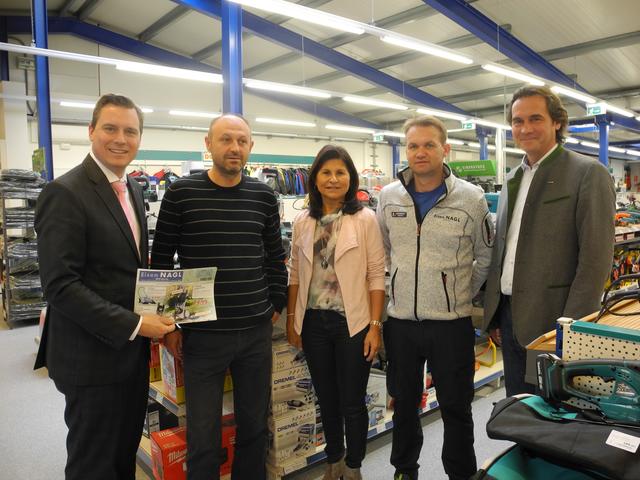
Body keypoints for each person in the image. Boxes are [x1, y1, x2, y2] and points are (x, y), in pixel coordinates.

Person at [34, 93, 175, 479]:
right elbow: (61, 287)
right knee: (93, 461)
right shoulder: (65, 192)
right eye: (110, 128)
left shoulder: (131, 189)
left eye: (131, 131)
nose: (120, 138)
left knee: (123, 452)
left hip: (128, 356)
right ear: (91, 131)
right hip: (90, 358)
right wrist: (135, 324)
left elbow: (127, 271)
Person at [151, 114, 287, 480]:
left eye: (242, 141)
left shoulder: (264, 196)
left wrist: (275, 304)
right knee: (203, 434)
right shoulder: (181, 193)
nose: (235, 148)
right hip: (202, 335)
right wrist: (170, 325)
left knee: (255, 426)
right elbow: (162, 260)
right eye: (226, 139)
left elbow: (275, 256)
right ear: (208, 143)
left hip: (255, 332)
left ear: (251, 147)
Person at [376, 115, 493, 480]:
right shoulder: (388, 197)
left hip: (450, 325)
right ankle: (404, 471)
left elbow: (486, 258)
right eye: (413, 146)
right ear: (406, 150)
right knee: (404, 406)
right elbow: (381, 253)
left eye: (429, 145)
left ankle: (461, 474)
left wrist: (457, 294)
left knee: (456, 407)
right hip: (402, 326)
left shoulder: (471, 199)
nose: (420, 152)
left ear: (446, 150)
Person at [482, 86, 615, 396]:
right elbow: (503, 248)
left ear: (557, 122)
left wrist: (572, 327)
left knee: (555, 414)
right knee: (520, 408)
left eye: (535, 118)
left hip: (554, 318)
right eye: (517, 121)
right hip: (510, 316)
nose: (525, 128)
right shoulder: (513, 178)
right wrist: (495, 311)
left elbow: (595, 260)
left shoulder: (587, 173)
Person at [287, 145, 386, 480]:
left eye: (340, 172)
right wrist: (292, 320)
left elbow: (376, 274)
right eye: (326, 172)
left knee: (352, 401)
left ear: (350, 178)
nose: (333, 179)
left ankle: (354, 465)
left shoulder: (364, 219)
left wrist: (375, 326)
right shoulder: (303, 221)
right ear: (314, 178)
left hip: (353, 322)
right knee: (326, 399)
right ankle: (333, 462)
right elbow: (296, 274)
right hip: (314, 322)